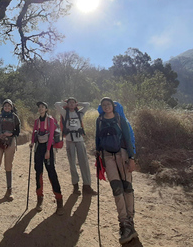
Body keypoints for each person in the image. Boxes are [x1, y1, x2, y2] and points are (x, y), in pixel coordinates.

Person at [96, 97, 137, 244]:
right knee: (116, 188)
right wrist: (98, 156)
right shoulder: (99, 120)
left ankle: (130, 222)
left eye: (109, 104)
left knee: (127, 187)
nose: (106, 107)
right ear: (101, 107)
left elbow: (127, 137)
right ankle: (124, 222)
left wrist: (132, 158)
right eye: (104, 105)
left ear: (113, 106)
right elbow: (97, 140)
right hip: (107, 156)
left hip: (123, 154)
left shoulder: (120, 119)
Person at [55, 97, 97, 195]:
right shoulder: (65, 113)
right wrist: (65, 103)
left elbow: (87, 105)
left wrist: (78, 103)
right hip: (70, 140)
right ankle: (75, 186)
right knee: (72, 163)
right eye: (70, 103)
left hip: (79, 140)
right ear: (67, 104)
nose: (72, 104)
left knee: (84, 163)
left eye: (73, 103)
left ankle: (87, 185)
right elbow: (56, 104)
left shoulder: (79, 113)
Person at [30, 101, 64, 215]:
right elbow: (34, 133)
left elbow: (50, 136)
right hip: (39, 147)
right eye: (39, 107)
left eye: (43, 107)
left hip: (48, 148)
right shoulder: (36, 121)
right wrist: (31, 143)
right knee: (38, 172)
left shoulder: (51, 120)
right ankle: (39, 198)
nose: (40, 109)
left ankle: (59, 199)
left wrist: (48, 150)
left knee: (51, 172)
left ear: (46, 109)